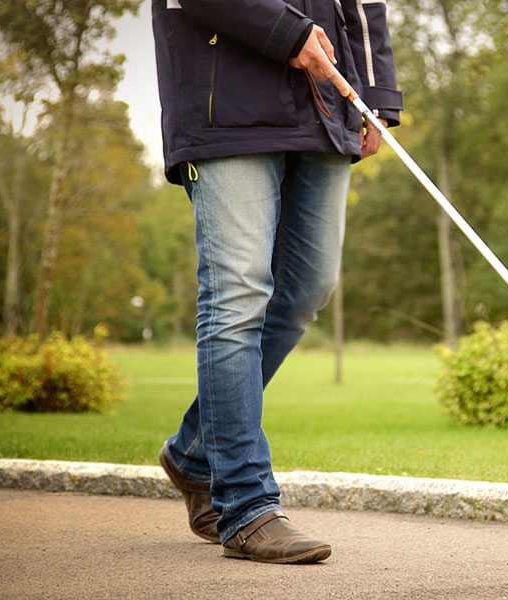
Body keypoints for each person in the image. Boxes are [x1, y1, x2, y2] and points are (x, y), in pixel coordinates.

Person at [151, 0, 402, 564]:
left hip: (324, 107)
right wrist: (289, 34)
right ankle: (246, 507)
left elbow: (362, 6)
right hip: (224, 109)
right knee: (238, 296)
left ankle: (193, 453)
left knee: (308, 288)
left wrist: (378, 96)